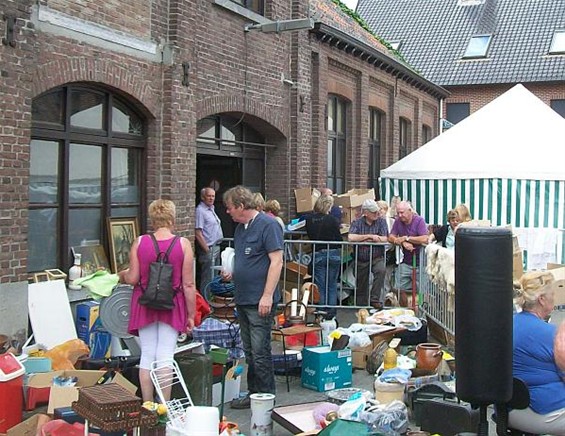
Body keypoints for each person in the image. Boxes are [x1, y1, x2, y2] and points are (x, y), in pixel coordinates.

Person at [118, 199, 196, 402]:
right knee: (165, 355)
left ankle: (147, 404)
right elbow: (188, 285)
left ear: (153, 219)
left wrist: (122, 274)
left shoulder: (140, 242)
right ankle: (165, 407)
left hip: (145, 303)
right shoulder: (183, 245)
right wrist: (191, 315)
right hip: (173, 304)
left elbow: (133, 278)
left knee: (147, 354)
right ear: (172, 218)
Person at [222, 186, 284, 409]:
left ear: (240, 206)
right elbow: (245, 259)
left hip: (259, 299)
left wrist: (267, 295)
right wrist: (232, 271)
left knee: (260, 351)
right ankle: (254, 392)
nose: (227, 212)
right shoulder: (240, 229)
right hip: (243, 297)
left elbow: (277, 261)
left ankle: (265, 396)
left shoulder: (268, 226)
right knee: (249, 351)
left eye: (229, 207)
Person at [511, 271, 565, 435]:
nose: (554, 298)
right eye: (552, 294)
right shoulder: (551, 334)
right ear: (542, 299)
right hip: (541, 411)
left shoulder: (507, 323)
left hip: (508, 407)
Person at [306, 195, 343, 318]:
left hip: (318, 253)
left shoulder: (309, 219)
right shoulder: (332, 220)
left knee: (320, 286)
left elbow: (310, 235)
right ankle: (331, 314)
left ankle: (321, 313)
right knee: (332, 285)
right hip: (333, 253)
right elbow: (339, 238)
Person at [348, 199, 389, 308]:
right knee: (361, 282)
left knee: (381, 270)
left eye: (377, 211)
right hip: (361, 258)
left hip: (377, 256)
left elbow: (385, 237)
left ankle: (374, 299)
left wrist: (363, 239)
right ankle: (361, 305)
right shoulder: (357, 222)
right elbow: (351, 237)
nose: (376, 214)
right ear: (365, 213)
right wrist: (369, 236)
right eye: (373, 212)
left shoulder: (381, 221)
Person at [388, 201, 428, 305]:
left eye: (402, 212)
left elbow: (425, 238)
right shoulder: (398, 221)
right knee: (398, 287)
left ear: (410, 211)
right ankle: (405, 310)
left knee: (423, 291)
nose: (400, 215)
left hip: (422, 262)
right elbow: (391, 236)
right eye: (398, 213)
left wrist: (407, 238)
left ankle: (422, 313)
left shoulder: (419, 221)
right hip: (406, 261)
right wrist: (402, 242)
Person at [195, 187, 224, 293]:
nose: (211, 198)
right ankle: (205, 304)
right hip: (208, 248)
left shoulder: (212, 209)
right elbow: (198, 233)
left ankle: (211, 301)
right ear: (203, 197)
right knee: (207, 278)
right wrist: (207, 251)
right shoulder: (200, 211)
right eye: (209, 196)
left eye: (213, 196)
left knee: (214, 277)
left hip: (216, 246)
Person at [377, 200, 396, 296]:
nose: (379, 211)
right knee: (376, 278)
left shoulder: (392, 222)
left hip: (389, 253)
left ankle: (386, 300)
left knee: (387, 278)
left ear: (385, 210)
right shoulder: (375, 221)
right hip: (377, 253)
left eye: (381, 209)